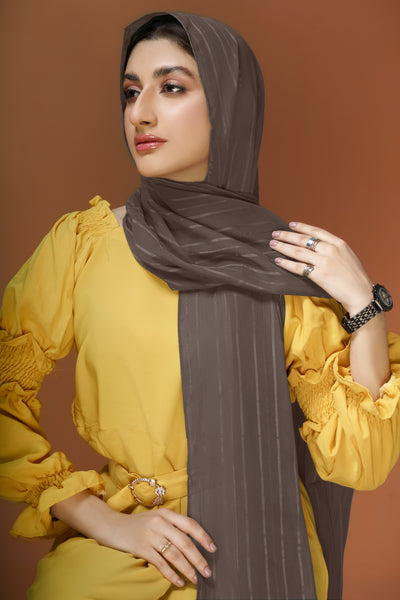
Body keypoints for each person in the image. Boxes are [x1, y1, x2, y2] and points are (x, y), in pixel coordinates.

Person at [0, 11, 399, 600]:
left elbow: (361, 461)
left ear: (230, 106)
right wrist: (106, 522)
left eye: (171, 87)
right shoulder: (85, 247)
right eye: (130, 92)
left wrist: (364, 302)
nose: (140, 113)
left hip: (264, 544)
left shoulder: (284, 263)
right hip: (130, 539)